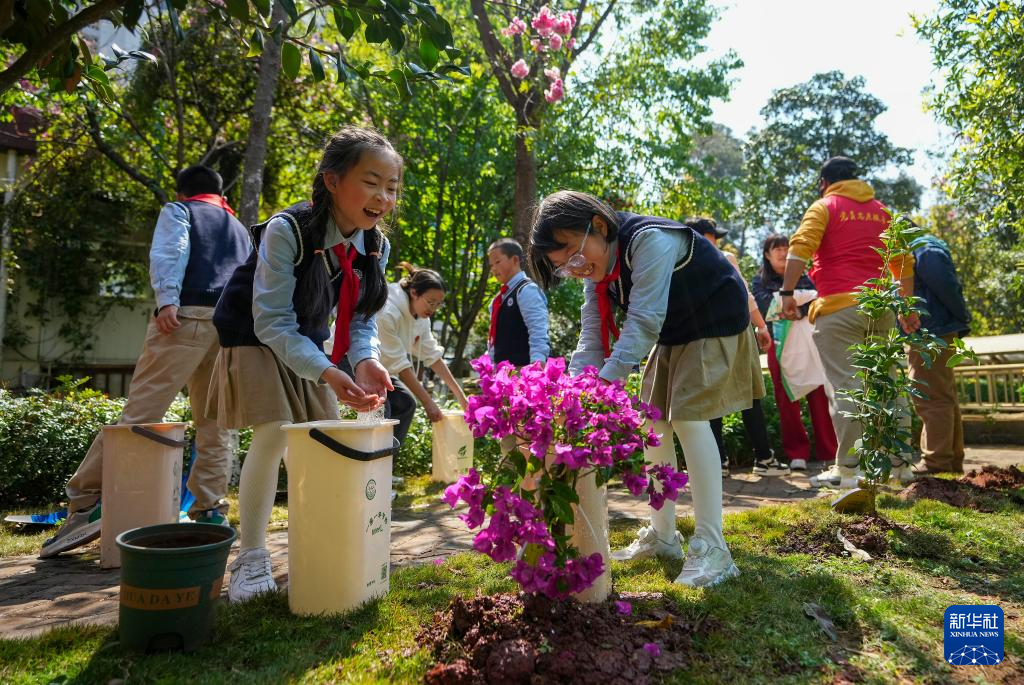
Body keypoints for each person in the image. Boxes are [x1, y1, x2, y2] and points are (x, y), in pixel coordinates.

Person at [529, 191, 763, 588]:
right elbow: (592, 338)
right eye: (564, 265)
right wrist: (574, 393)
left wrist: (604, 384)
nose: (576, 267)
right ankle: (664, 536)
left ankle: (713, 546)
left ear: (598, 225)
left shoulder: (648, 240)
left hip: (715, 324)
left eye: (573, 252)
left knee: (689, 418)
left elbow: (643, 322)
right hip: (674, 335)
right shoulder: (599, 273)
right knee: (651, 424)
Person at [209, 126, 399, 602]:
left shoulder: (376, 246)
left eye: (392, 187)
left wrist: (366, 361)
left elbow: (360, 320)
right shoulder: (287, 229)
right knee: (274, 431)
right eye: (372, 182)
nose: (383, 197)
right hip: (252, 333)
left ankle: (316, 541)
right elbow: (271, 320)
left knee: (319, 440)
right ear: (332, 181)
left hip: (307, 342)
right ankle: (250, 559)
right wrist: (328, 370)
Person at [39, 165, 251, 559]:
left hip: (185, 317)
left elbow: (170, 251)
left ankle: (86, 501)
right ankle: (210, 511)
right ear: (220, 194)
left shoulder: (180, 210)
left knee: (140, 413)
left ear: (186, 191)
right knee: (215, 420)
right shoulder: (239, 228)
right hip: (230, 328)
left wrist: (166, 299)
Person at [779, 156, 919, 489]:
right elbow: (904, 261)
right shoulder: (882, 211)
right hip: (880, 308)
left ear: (824, 182)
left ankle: (848, 471)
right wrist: (906, 308)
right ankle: (901, 467)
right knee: (886, 383)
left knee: (846, 387)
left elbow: (800, 248)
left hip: (838, 310)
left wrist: (787, 292)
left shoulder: (824, 206)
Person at [690, 218, 780, 474]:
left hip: (706, 336)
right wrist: (761, 327)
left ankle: (718, 461)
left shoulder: (682, 263)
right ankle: (762, 458)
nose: (716, 241)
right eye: (712, 235)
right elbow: (745, 295)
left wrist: (761, 326)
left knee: (714, 398)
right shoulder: (723, 257)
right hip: (736, 334)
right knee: (748, 394)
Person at [751, 233, 837, 471]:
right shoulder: (759, 282)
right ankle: (796, 453)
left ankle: (829, 451)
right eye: (776, 248)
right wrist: (799, 301)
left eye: (786, 248)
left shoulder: (806, 278)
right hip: (779, 346)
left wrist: (795, 308)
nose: (782, 252)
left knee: (819, 394)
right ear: (767, 255)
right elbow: (764, 306)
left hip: (811, 345)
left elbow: (819, 302)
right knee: (787, 400)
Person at [377, 262, 468, 446]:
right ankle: (373, 469)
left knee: (406, 403)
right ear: (414, 293)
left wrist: (461, 396)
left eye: (438, 304)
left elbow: (433, 356)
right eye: (430, 302)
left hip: (381, 369)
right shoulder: (388, 311)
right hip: (349, 360)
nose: (433, 309)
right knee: (381, 408)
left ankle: (387, 467)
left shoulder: (421, 316)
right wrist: (428, 403)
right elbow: (401, 367)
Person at [908, 234, 970, 474]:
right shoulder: (929, 245)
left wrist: (960, 317)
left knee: (930, 395)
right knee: (944, 395)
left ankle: (936, 462)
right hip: (938, 327)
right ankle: (951, 461)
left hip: (928, 329)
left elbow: (944, 284)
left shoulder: (921, 249)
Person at [486, 238, 550, 366]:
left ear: (515, 260)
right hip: (502, 371)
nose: (493, 269)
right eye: (491, 265)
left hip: (523, 369)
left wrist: (537, 365)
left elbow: (537, 329)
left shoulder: (526, 290)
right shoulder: (498, 299)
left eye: (497, 262)